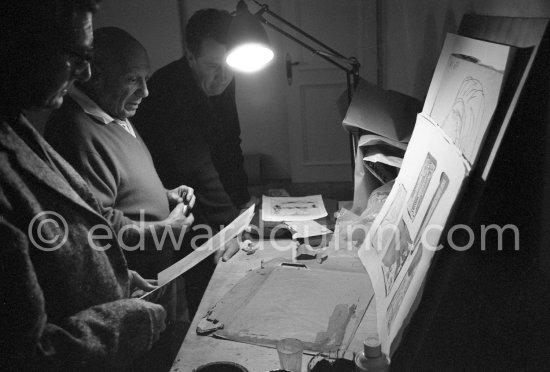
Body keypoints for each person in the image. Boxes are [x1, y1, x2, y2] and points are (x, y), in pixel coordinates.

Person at [0, 1, 168, 370]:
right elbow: (22, 354)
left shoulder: (16, 126)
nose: (84, 71)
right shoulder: (67, 127)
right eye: (76, 54)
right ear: (21, 45)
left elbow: (74, 230)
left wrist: (116, 278)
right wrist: (123, 322)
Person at [45, 27, 196, 279]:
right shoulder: (76, 130)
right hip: (133, 281)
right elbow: (96, 224)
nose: (145, 91)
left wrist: (164, 195)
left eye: (146, 78)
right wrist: (165, 230)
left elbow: (123, 191)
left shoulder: (114, 112)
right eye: (132, 79)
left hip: (158, 268)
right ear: (95, 77)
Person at [133, 8, 256, 233]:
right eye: (213, 67)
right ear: (190, 57)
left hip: (198, 183)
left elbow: (230, 141)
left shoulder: (223, 75)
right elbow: (197, 170)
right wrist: (230, 225)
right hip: (167, 195)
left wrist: (243, 201)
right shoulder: (169, 90)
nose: (223, 77)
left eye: (230, 65)